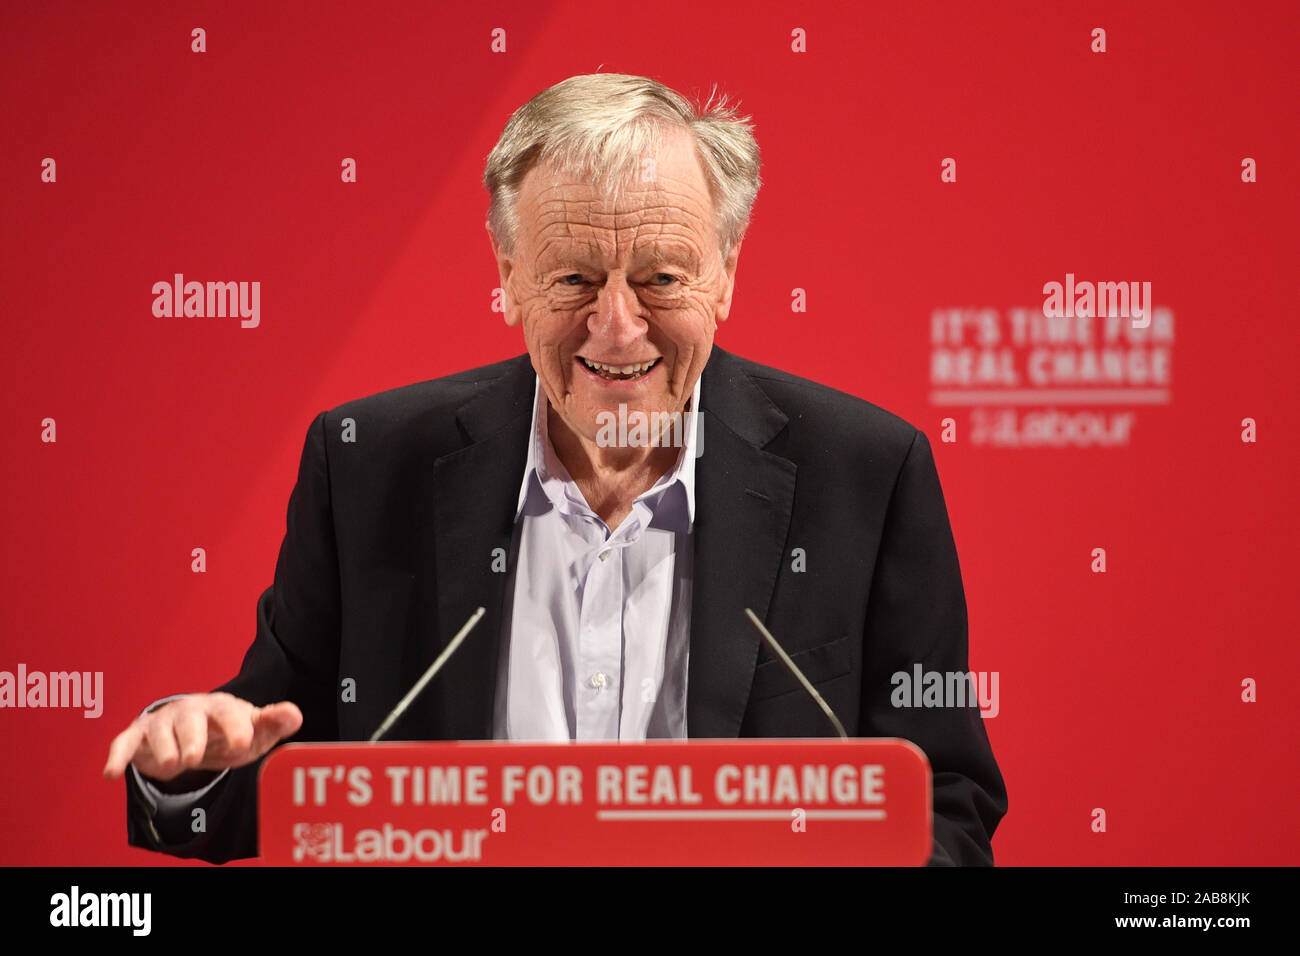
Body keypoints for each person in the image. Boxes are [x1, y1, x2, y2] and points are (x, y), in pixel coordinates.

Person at [103, 73, 1006, 865]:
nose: (617, 327)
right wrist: (187, 764)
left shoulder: (868, 473)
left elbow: (948, 806)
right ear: (507, 273)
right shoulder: (367, 466)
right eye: (573, 278)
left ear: (726, 272)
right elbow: (269, 764)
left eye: (660, 277)